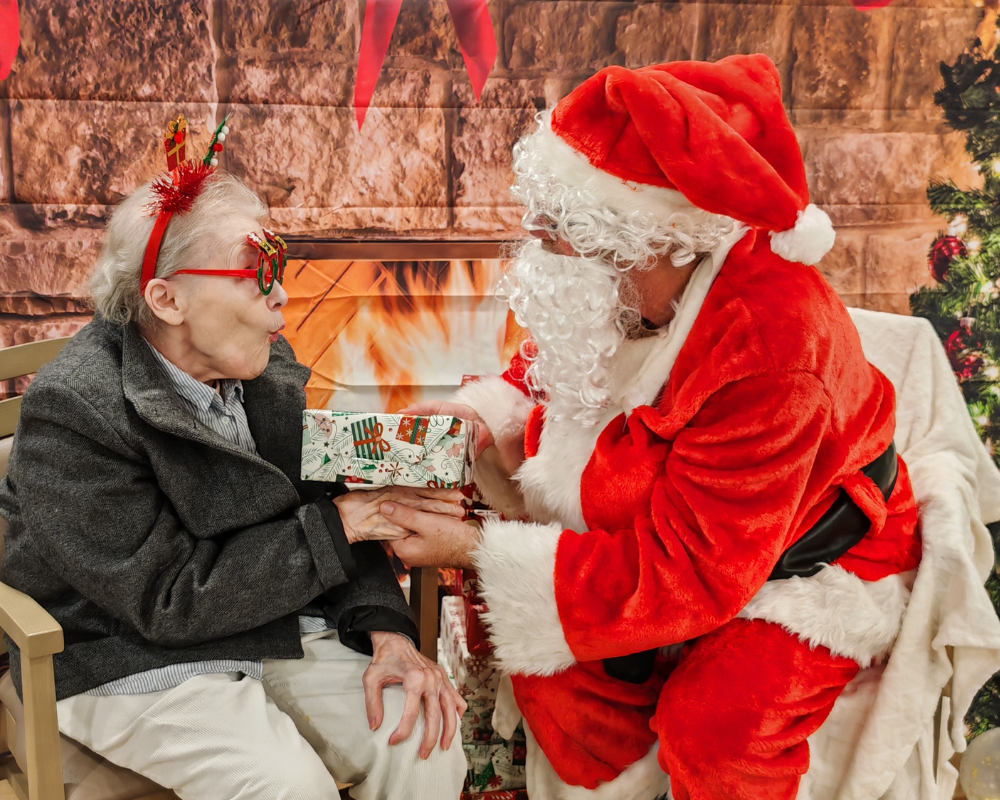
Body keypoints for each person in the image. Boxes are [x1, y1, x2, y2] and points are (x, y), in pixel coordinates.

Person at [383, 55, 922, 800]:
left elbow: (694, 570)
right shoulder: (626, 282)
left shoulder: (771, 348)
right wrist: (476, 416)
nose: (538, 235)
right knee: (555, 689)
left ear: (656, 239)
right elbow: (554, 360)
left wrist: (475, 549)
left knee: (718, 731)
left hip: (804, 559)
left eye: (567, 224)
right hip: (675, 530)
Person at [0, 148, 468, 799]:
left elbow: (326, 502)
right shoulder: (75, 408)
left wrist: (387, 630)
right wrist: (339, 525)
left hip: (266, 618)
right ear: (167, 299)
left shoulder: (262, 366)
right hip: (128, 652)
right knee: (285, 787)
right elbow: (165, 599)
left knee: (423, 741)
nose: (281, 295)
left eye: (279, 265)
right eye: (256, 273)